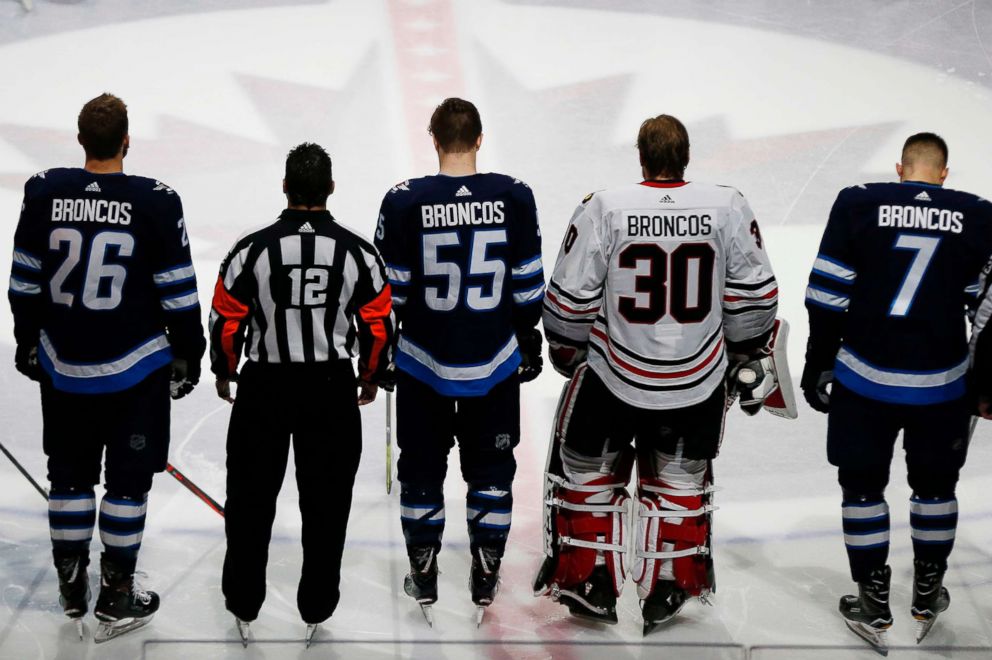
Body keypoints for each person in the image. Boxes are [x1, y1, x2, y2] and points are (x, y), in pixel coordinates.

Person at [534, 114, 780, 634]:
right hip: (696, 382)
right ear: (685, 157)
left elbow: (566, 304)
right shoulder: (727, 204)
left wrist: (569, 349)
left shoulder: (605, 205)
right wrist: (740, 349)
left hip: (612, 377)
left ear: (641, 158)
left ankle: (591, 577)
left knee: (585, 473)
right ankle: (671, 580)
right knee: (681, 482)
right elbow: (756, 297)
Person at [8, 93, 205, 642]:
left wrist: (29, 340)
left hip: (63, 364)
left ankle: (73, 587)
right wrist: (190, 352)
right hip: (134, 370)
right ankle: (117, 594)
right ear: (127, 140)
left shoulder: (44, 190)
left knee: (67, 476)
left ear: (80, 141)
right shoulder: (156, 201)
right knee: (126, 482)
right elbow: (178, 293)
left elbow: (24, 280)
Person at [801, 132, 992, 651]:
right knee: (935, 490)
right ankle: (927, 592)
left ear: (900, 167)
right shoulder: (978, 214)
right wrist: (986, 381)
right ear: (944, 173)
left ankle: (872, 598)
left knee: (861, 488)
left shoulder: (858, 201)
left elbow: (826, 291)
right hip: (942, 385)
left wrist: (818, 362)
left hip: (865, 378)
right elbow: (985, 308)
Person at [209, 142, 394, 645]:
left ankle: (243, 600)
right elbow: (378, 325)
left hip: (264, 389)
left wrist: (225, 371)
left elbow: (227, 321)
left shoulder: (251, 250)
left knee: (249, 503)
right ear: (331, 188)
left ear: (285, 187)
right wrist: (370, 375)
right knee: (327, 505)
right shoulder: (359, 253)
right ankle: (317, 603)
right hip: (330, 390)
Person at [372, 97, 544, 624]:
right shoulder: (514, 195)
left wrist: (381, 352)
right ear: (479, 138)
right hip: (493, 365)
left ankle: (423, 571)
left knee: (421, 471)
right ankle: (486, 571)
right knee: (491, 472)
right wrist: (528, 339)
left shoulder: (404, 200)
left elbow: (389, 295)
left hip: (423, 363)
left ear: (433, 138)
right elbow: (529, 283)